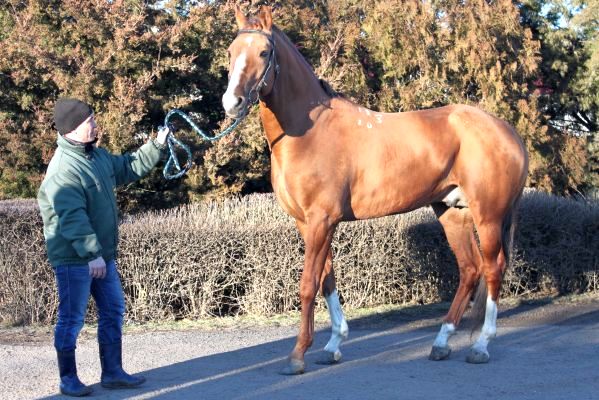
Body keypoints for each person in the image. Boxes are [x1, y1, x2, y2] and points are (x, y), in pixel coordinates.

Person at [37, 98, 169, 397]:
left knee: (112, 310)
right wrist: (91, 254)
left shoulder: (95, 156)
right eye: (90, 122)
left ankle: (112, 373)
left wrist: (157, 145)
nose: (96, 125)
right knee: (71, 319)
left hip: (100, 256)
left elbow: (127, 167)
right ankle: (68, 379)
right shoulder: (63, 169)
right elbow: (72, 218)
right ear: (72, 128)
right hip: (75, 258)